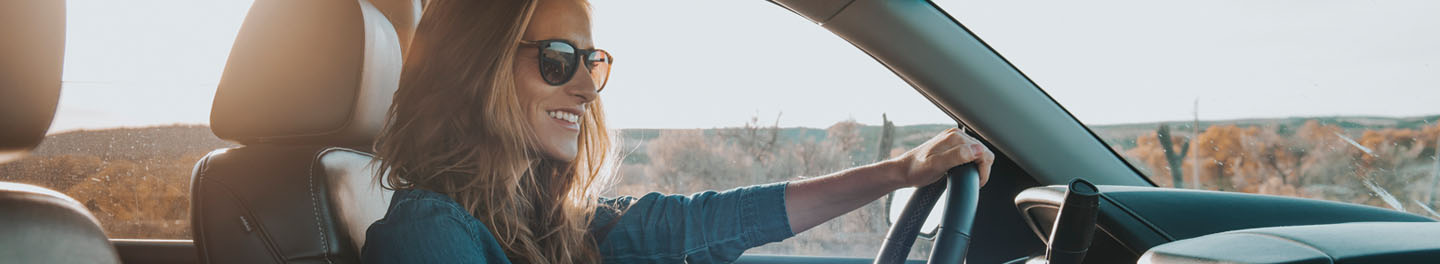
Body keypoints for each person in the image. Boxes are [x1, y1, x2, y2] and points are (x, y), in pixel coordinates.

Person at [359, 0, 994, 263]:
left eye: (592, 61)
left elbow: (704, 222)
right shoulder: (427, 232)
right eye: (556, 59)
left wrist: (902, 171)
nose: (584, 87)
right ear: (477, 72)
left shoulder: (549, 224)